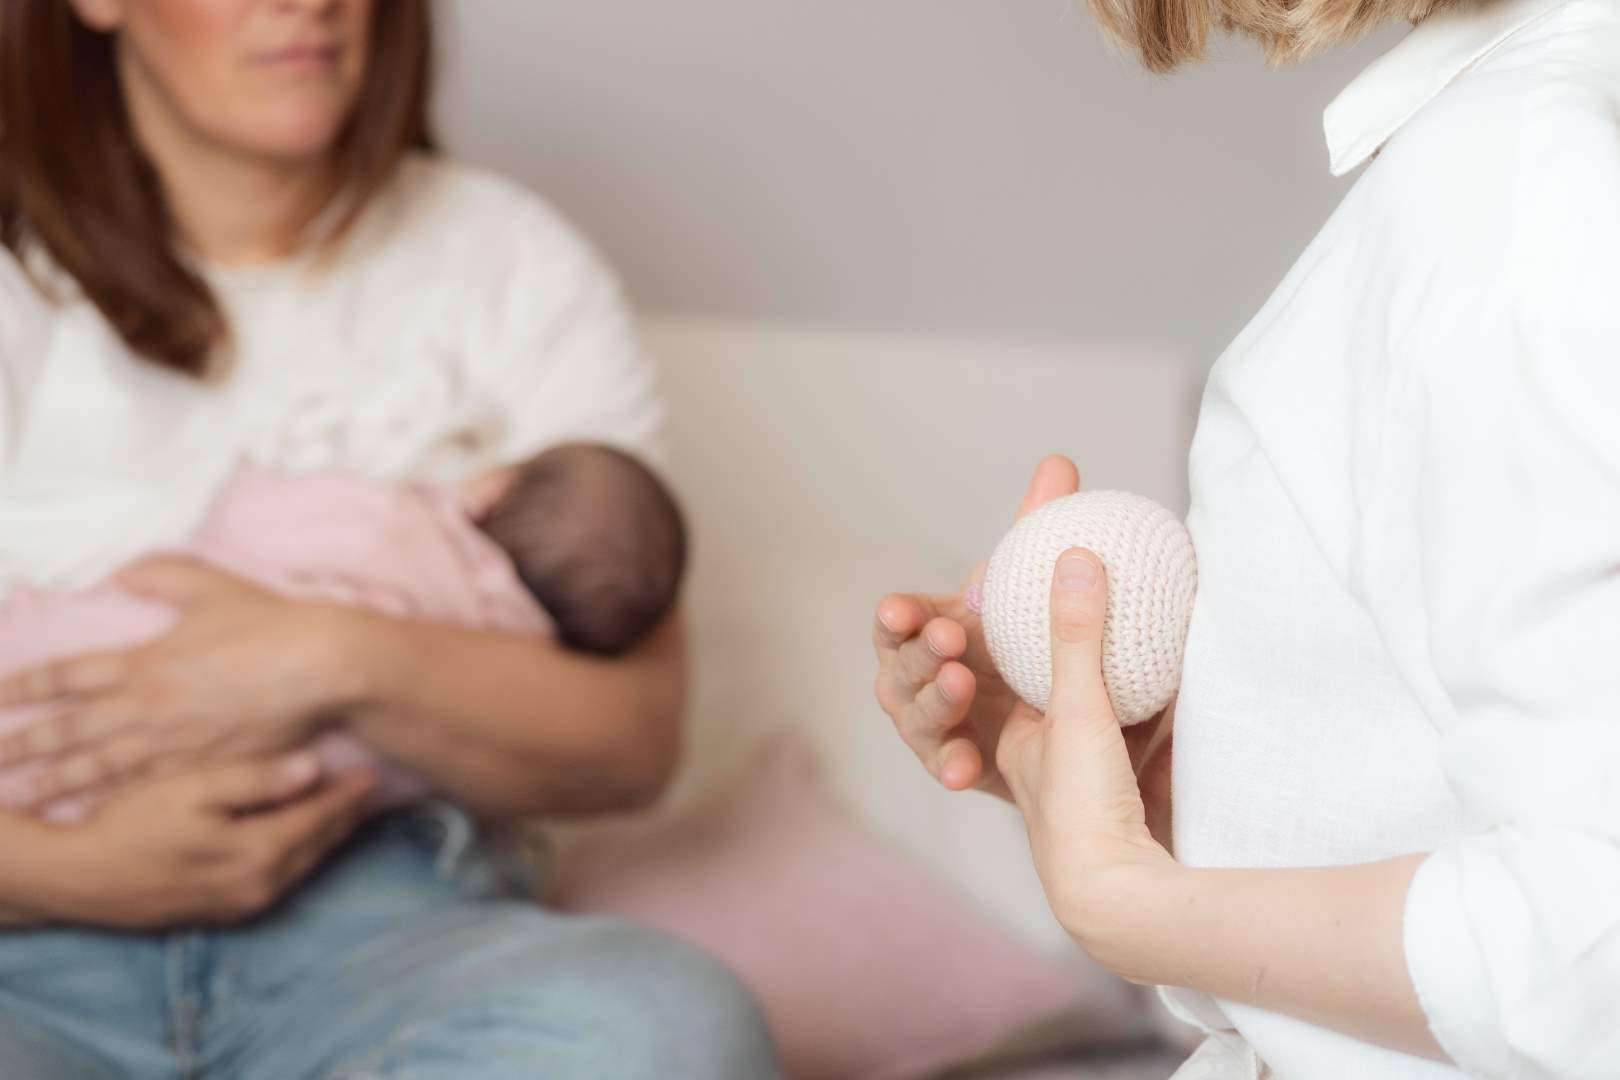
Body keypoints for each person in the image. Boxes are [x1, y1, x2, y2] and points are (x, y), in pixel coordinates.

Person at [0, 2, 776, 1077]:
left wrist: (330, 657)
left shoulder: (510, 263)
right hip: (27, 956)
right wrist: (59, 872)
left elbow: (634, 740)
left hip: (393, 941)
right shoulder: (18, 282)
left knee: (662, 1024)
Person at [872, 0, 1620, 1075]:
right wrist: (1194, 776)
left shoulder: (1515, 188)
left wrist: (1131, 905)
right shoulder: (1530, 150)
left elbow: (1591, 951)